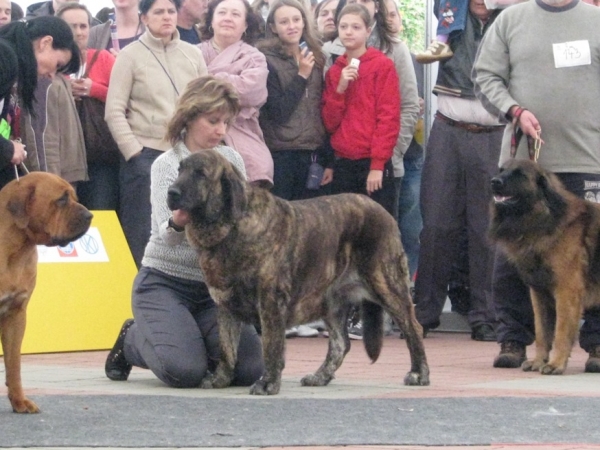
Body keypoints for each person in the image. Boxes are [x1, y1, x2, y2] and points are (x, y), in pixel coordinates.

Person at [105, 75, 265, 387]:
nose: (220, 130)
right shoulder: (166, 164)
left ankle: (188, 336)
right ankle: (133, 339)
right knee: (184, 371)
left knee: (248, 369)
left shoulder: (231, 159)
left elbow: (243, 219)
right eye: (213, 121)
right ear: (189, 117)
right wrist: (178, 222)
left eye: (226, 123)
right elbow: (164, 235)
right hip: (165, 282)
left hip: (213, 290)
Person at [473, 0, 600, 370]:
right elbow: (485, 76)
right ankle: (514, 339)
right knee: (513, 262)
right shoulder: (511, 19)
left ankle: (596, 345)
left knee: (593, 263)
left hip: (587, 159)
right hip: (524, 166)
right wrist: (514, 110)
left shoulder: (596, 19)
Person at [412, 0, 502, 342]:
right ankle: (424, 312)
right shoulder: (451, 13)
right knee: (436, 223)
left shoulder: (513, 20)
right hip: (447, 129)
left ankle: (486, 315)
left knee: (487, 228)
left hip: (494, 134)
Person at [105, 0, 207, 267]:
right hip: (146, 156)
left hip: (186, 155)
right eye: (158, 12)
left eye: (171, 11)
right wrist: (134, 154)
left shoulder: (192, 54)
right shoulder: (130, 55)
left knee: (185, 230)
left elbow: (205, 105)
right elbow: (114, 110)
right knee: (141, 235)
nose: (166, 17)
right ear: (144, 18)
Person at [321, 3, 400, 340]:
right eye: (343, 27)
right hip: (344, 163)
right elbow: (328, 121)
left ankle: (385, 312)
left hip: (372, 166)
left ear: (368, 31)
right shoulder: (335, 68)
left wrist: (378, 164)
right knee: (343, 243)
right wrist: (340, 88)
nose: (349, 32)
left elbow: (388, 117)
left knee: (376, 243)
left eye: (355, 27)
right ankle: (344, 313)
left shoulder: (382, 65)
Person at [257, 0, 328, 338]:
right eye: (283, 21)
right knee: (282, 235)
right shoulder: (266, 60)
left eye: (296, 19)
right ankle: (278, 310)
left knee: (310, 235)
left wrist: (328, 157)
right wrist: (301, 74)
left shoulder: (319, 55)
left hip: (313, 153)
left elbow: (323, 110)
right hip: (282, 152)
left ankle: (308, 309)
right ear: (273, 27)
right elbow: (279, 111)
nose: (291, 26)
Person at [199, 0, 274, 188]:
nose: (228, 18)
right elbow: (188, 91)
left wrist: (207, 78)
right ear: (211, 20)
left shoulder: (255, 57)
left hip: (242, 131)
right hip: (199, 134)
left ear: (246, 24)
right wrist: (230, 79)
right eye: (222, 12)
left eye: (235, 14)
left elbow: (252, 92)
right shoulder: (192, 53)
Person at [0, 16, 79, 189]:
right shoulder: (5, 58)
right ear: (45, 43)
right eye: (58, 64)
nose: (52, 74)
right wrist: (8, 149)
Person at [57, 2, 119, 211]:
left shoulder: (103, 58)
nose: (79, 32)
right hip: (63, 155)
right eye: (72, 26)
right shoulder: (51, 63)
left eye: (83, 26)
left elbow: (125, 102)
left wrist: (94, 90)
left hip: (99, 154)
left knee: (102, 213)